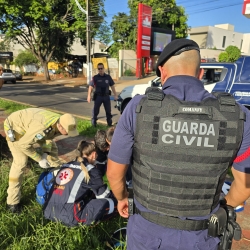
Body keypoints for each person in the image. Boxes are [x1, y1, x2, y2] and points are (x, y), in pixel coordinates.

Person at [107, 38, 250, 250]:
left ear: (162, 72)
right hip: (202, 237)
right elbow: (245, 185)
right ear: (200, 74)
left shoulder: (138, 108)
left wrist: (121, 199)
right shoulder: (237, 116)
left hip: (147, 235)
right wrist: (223, 206)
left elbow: (114, 174)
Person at [4, 108, 79, 213]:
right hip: (15, 128)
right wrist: (39, 159)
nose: (67, 134)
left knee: (52, 150)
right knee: (20, 162)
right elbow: (23, 145)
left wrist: (46, 153)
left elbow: (48, 138)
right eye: (67, 131)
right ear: (60, 126)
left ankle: (54, 182)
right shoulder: (42, 127)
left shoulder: (58, 122)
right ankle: (12, 203)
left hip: (32, 125)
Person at [43, 140, 118, 227]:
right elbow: (104, 196)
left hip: (48, 211)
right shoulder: (91, 170)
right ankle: (130, 210)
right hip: (69, 216)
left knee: (89, 194)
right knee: (112, 202)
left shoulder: (65, 165)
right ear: (94, 155)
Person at [87, 63, 118, 127]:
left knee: (108, 111)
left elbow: (112, 86)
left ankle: (109, 124)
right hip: (98, 97)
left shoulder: (108, 77)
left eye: (101, 68)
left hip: (106, 96)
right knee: (95, 110)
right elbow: (91, 87)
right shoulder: (95, 78)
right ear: (98, 69)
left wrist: (115, 95)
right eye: (99, 69)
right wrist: (89, 95)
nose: (100, 70)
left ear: (104, 69)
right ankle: (94, 123)